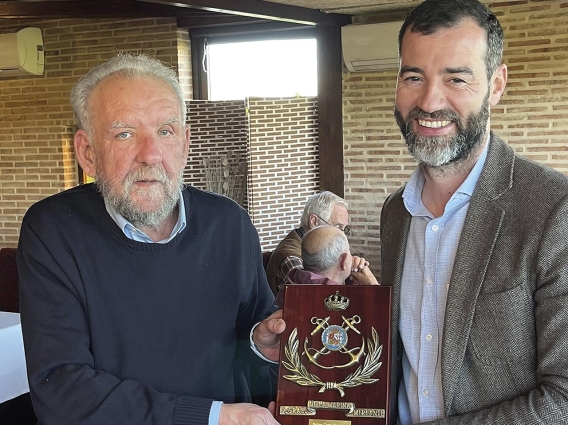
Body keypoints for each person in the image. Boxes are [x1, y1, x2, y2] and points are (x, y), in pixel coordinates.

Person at [17, 52, 284, 425]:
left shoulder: (230, 224)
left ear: (186, 144)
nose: (151, 154)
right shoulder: (53, 231)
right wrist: (208, 417)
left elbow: (252, 356)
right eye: (124, 133)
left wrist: (261, 346)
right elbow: (61, 389)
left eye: (165, 131)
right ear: (87, 152)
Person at [380, 0, 568, 423]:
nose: (429, 101)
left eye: (456, 78)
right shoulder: (395, 213)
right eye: (413, 76)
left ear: (496, 85)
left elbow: (564, 399)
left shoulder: (555, 211)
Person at [265, 191, 350, 296]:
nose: (343, 235)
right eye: (338, 227)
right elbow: (320, 300)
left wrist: (354, 270)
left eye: (344, 229)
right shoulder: (291, 258)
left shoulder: (320, 250)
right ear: (314, 222)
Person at [274, 225, 378, 308]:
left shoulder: (292, 282)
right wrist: (375, 288)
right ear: (344, 261)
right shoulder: (337, 301)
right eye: (349, 251)